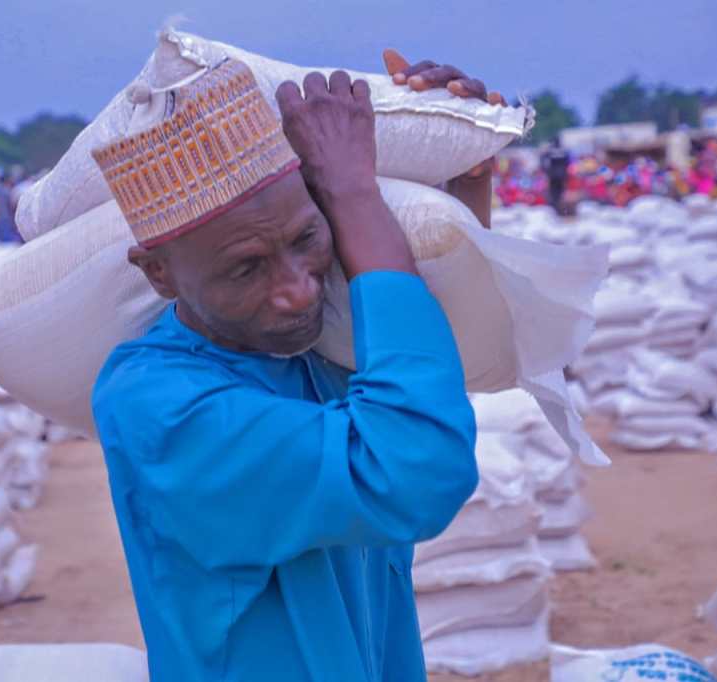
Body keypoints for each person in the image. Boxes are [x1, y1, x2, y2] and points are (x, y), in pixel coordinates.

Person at [92, 53, 503, 680]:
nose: (298, 291)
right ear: (159, 274)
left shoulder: (313, 344)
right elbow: (418, 470)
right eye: (246, 268)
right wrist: (352, 194)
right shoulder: (159, 405)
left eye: (306, 240)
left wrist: (459, 164)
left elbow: (433, 358)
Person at [541, 137, 569, 213]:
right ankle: (559, 207)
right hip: (561, 174)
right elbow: (568, 162)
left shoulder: (550, 150)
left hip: (553, 174)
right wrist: (565, 170)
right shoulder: (563, 150)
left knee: (554, 192)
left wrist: (546, 170)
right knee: (560, 191)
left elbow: (543, 159)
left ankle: (555, 207)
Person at [0, 176, 20, 241]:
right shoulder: (6, 191)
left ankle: (1, 239)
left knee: (0, 227)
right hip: (5, 213)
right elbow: (10, 203)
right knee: (6, 227)